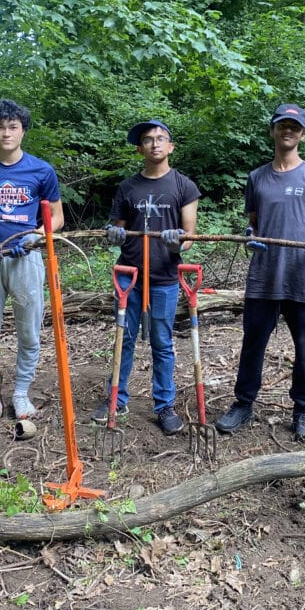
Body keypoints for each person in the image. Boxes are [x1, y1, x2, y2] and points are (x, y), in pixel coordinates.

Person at [214, 104, 305, 441]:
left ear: (303, 134)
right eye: (282, 125)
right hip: (264, 276)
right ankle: (243, 403)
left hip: (303, 275)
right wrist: (250, 238)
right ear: (272, 131)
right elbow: (252, 225)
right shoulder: (257, 177)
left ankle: (302, 411)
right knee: (253, 343)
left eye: (294, 127)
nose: (288, 131)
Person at [92, 119, 201, 435]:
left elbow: (191, 235)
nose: (155, 143)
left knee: (162, 342)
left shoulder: (183, 186)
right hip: (129, 274)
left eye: (161, 138)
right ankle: (117, 398)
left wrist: (179, 239)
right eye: (148, 140)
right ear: (140, 149)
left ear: (171, 146)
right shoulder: (127, 187)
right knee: (123, 338)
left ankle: (164, 405)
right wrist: (114, 233)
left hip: (165, 276)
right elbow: (118, 227)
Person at [0, 99, 63, 425]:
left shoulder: (41, 171)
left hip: (26, 259)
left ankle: (20, 393)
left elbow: (57, 218)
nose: (6, 133)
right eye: (0, 127)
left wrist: (37, 237)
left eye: (13, 127)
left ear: (23, 130)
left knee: (29, 332)